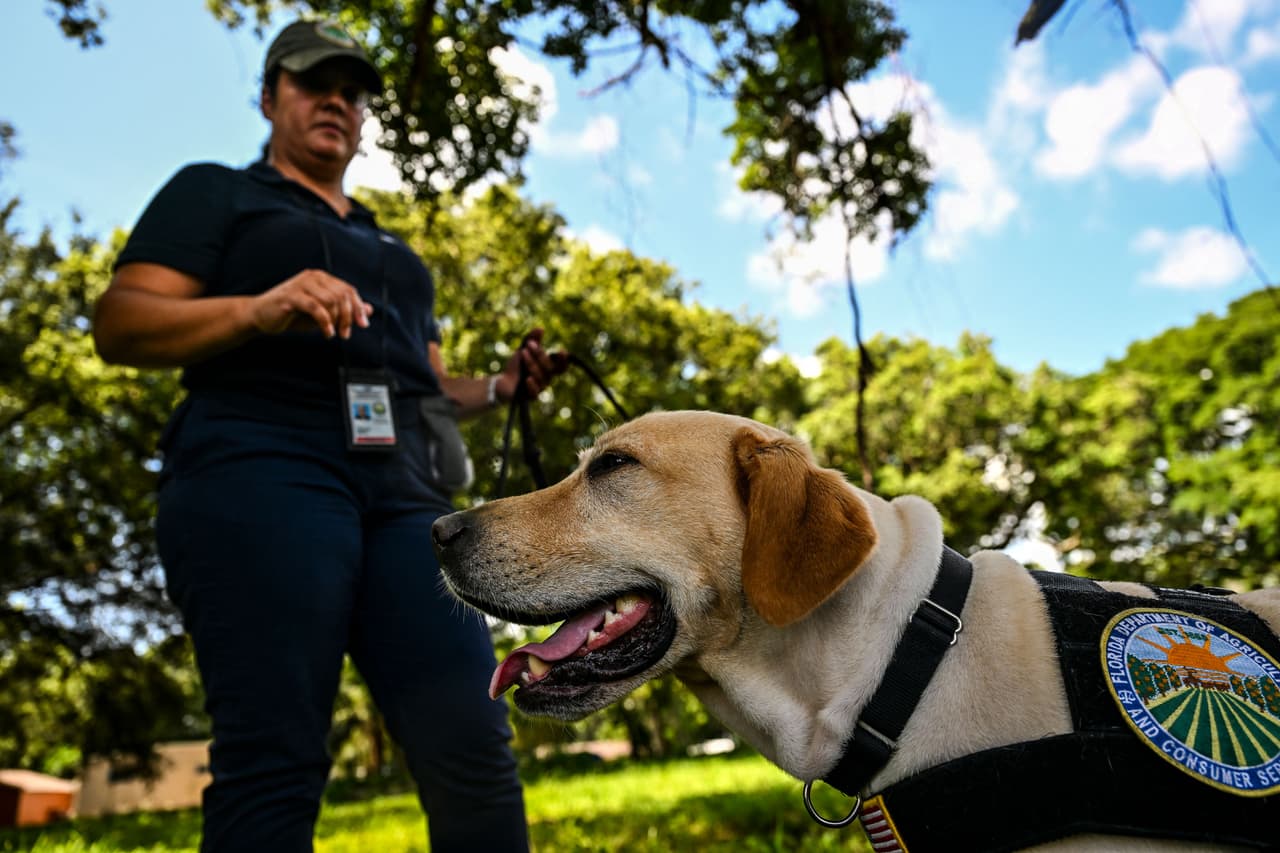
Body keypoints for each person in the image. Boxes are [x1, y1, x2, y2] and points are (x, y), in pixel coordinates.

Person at [93, 18, 560, 853]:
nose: (336, 101)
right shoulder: (218, 193)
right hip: (259, 466)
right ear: (270, 97)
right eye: (314, 83)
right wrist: (258, 307)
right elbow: (122, 324)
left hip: (405, 493)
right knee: (274, 756)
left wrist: (502, 387)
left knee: (473, 737)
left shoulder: (393, 245)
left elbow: (429, 381)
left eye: (352, 90)